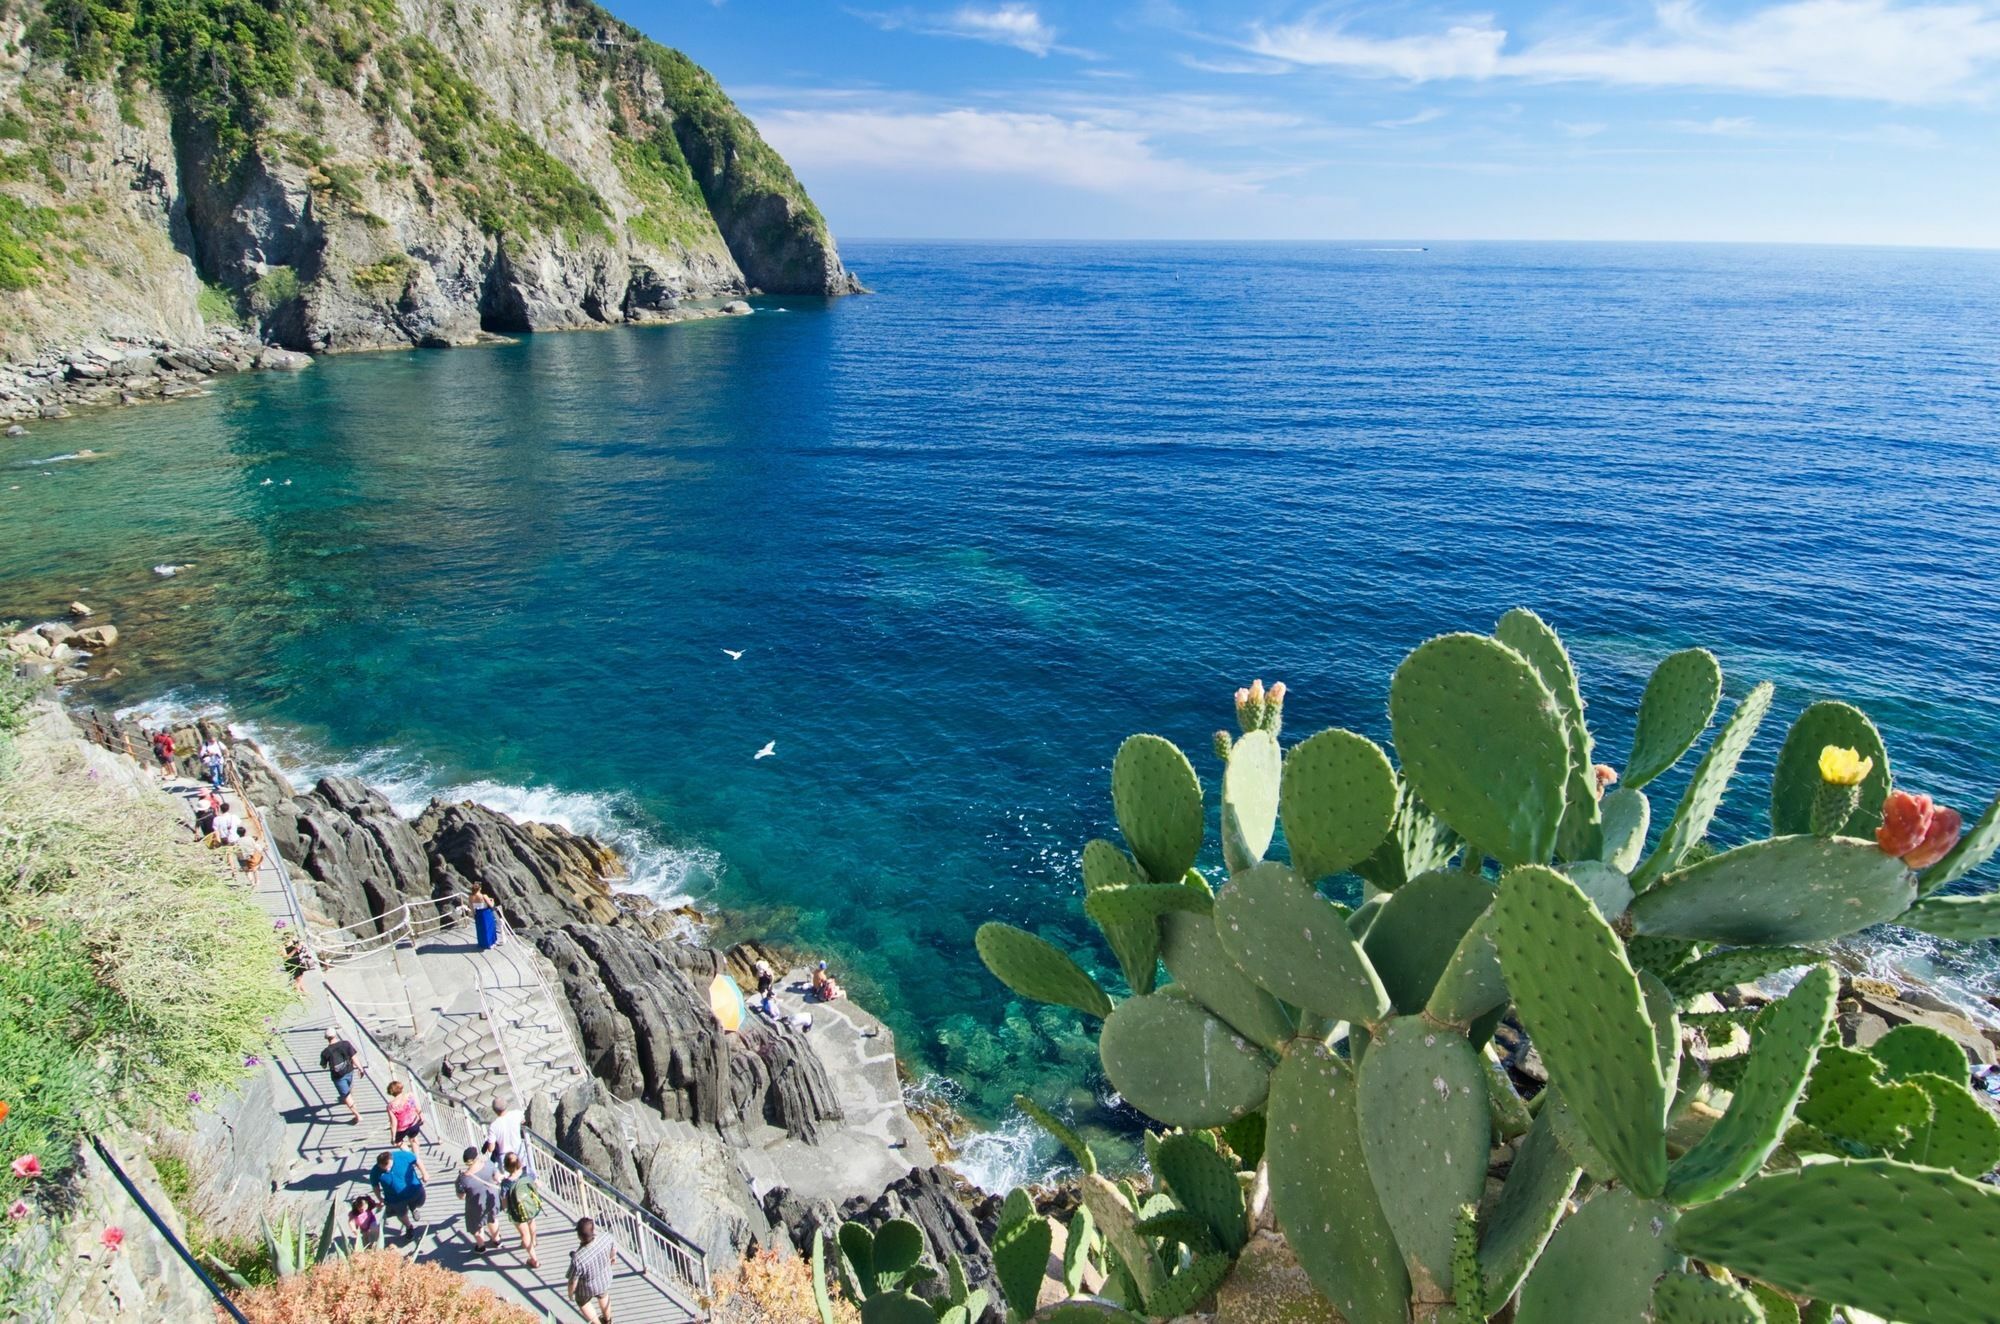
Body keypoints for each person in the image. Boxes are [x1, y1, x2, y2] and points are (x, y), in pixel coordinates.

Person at [567, 1217, 621, 1322]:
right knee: (603, 1295)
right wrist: (612, 1258)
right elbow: (613, 1251)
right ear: (593, 1230)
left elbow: (573, 1281)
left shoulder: (578, 1259)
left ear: (579, 1236)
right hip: (604, 1279)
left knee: (582, 1302)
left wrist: (570, 1293)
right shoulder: (606, 1238)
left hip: (587, 1288)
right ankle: (608, 1320)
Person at [369, 1148, 429, 1242]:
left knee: (420, 1202)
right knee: (401, 1214)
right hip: (395, 1199)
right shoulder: (375, 1171)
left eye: (388, 1166)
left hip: (414, 1190)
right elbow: (375, 1186)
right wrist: (380, 1198)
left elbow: (416, 1160)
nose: (387, 1170)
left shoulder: (403, 1156)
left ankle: (413, 1207)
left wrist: (424, 1173)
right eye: (383, 1168)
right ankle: (409, 1227)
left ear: (391, 1160)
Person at [456, 1146, 502, 1253]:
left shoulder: (463, 1179)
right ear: (477, 1157)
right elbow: (497, 1177)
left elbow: (461, 1196)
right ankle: (497, 1240)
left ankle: (481, 1246)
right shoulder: (489, 1165)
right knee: (492, 1218)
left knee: (476, 1225)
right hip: (491, 1200)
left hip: (475, 1205)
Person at [499, 1152, 541, 1268]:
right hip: (530, 1204)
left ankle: (534, 1259)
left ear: (506, 1166)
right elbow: (537, 1184)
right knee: (532, 1222)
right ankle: (534, 1241)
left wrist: (506, 1210)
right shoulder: (527, 1171)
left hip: (517, 1211)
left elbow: (504, 1201)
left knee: (524, 1234)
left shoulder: (506, 1183)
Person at [318, 1027, 363, 1124]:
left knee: (346, 1096)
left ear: (326, 1038)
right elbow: (354, 1057)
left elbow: (323, 1065)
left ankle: (357, 1115)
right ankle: (348, 1097)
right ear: (335, 1035)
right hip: (349, 1070)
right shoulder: (346, 1044)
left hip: (338, 1077)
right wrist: (360, 1068)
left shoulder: (326, 1052)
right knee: (349, 1086)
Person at [485, 1097, 525, 1168]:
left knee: (509, 1177)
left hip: (505, 1156)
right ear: (507, 1105)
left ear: (494, 1110)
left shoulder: (493, 1126)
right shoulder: (517, 1114)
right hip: (519, 1150)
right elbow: (524, 1120)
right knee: (524, 1172)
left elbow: (491, 1148)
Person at [385, 1080, 424, 1149]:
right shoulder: (410, 1095)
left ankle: (408, 1154)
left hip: (402, 1128)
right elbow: (417, 1107)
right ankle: (417, 1158)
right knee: (413, 1139)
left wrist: (393, 1137)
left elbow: (394, 1123)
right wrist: (421, 1116)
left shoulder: (391, 1106)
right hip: (414, 1123)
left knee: (398, 1142)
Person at [469, 884, 499, 951]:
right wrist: (492, 901)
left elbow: (471, 907)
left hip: (478, 914)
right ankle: (490, 944)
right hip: (486, 913)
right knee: (489, 928)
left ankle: (482, 944)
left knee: (481, 930)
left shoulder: (471, 897)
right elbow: (491, 905)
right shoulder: (483, 896)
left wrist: (474, 915)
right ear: (479, 889)